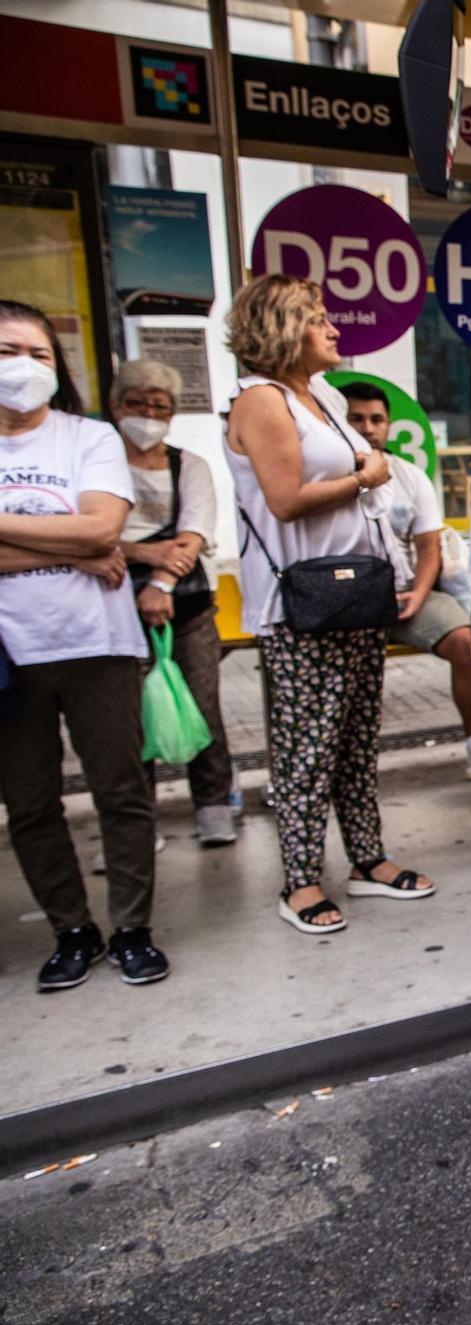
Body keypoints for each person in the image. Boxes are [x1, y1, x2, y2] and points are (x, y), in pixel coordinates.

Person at [225, 274, 435, 935]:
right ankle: (301, 878)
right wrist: (363, 476)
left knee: (352, 739)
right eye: (317, 319)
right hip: (303, 599)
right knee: (307, 747)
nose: (333, 328)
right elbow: (284, 498)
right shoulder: (262, 400)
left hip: (354, 589)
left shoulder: (315, 396)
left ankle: (366, 857)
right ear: (283, 328)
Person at [0, 300, 168, 988]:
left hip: (97, 642)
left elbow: (103, 532)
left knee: (120, 790)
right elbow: (86, 538)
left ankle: (132, 928)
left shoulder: (89, 438)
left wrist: (71, 542)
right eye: (9, 350)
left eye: (39, 354)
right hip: (11, 655)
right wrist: (69, 545)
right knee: (30, 803)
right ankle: (72, 929)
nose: (24, 366)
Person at [338, 380, 471, 781]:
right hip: (344, 600)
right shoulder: (328, 477)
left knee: (465, 640)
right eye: (356, 418)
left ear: (389, 425)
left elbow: (428, 546)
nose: (368, 427)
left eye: (377, 419)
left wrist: (418, 594)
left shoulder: (410, 476)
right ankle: (340, 762)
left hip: (407, 593)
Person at [112, 357, 236, 847]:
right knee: (125, 716)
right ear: (116, 405)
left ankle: (213, 805)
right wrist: (141, 551)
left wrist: (158, 583)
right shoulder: (99, 466)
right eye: (137, 403)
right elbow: (89, 535)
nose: (148, 413)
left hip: (186, 605)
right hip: (114, 608)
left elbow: (192, 537)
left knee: (202, 705)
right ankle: (136, 820)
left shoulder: (190, 466)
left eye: (159, 406)